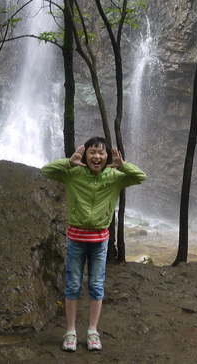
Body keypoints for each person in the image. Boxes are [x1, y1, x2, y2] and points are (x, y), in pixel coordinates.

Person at [41, 136, 146, 352]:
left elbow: (141, 176)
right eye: (92, 152)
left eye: (101, 153)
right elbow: (46, 170)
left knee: (96, 286)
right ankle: (70, 331)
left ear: (107, 157)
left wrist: (122, 165)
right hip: (75, 240)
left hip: (100, 242)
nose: (96, 156)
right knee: (73, 285)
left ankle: (92, 331)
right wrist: (69, 162)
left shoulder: (115, 177)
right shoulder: (73, 174)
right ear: (85, 155)